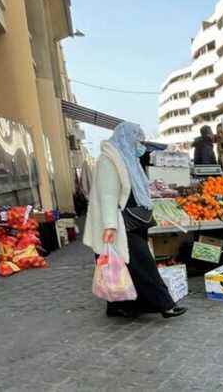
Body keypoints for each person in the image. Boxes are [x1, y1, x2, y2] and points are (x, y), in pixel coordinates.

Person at [83, 122, 186, 319]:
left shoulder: (129, 159)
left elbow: (136, 188)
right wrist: (110, 226)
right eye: (138, 140)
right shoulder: (108, 161)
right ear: (126, 139)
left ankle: (119, 306)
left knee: (123, 266)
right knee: (142, 262)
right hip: (118, 223)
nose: (141, 145)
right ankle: (165, 304)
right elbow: (107, 196)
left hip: (134, 220)